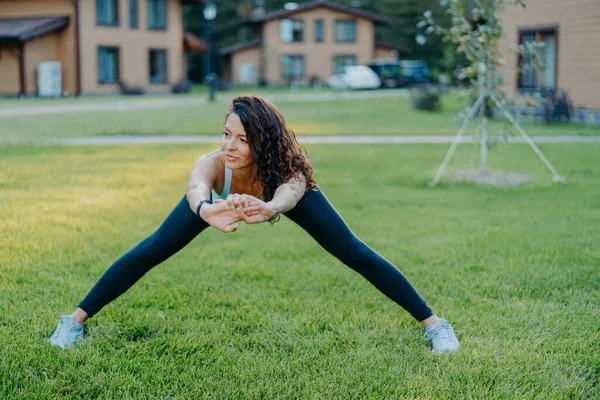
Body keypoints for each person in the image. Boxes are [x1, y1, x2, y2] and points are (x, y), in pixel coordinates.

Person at [49, 95, 459, 353]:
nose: (230, 145)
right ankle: (73, 322)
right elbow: (195, 187)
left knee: (354, 251)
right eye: (227, 134)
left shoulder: (288, 166)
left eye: (242, 139)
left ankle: (436, 326)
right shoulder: (213, 163)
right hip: (217, 203)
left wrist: (269, 208)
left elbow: (291, 194)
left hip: (275, 194)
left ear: (262, 141)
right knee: (152, 248)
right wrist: (205, 209)